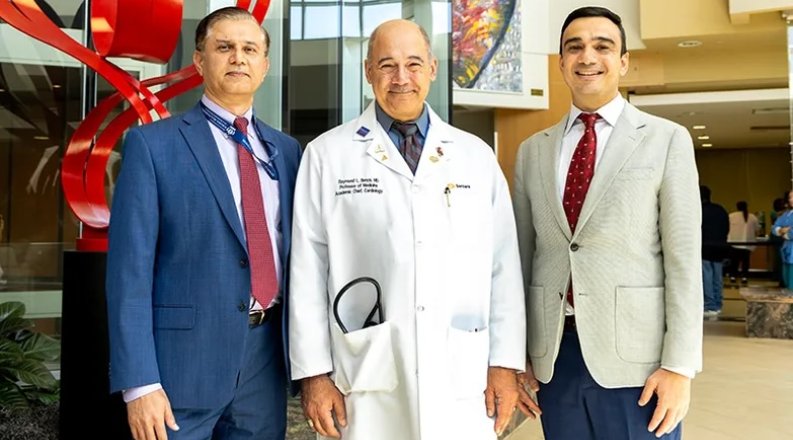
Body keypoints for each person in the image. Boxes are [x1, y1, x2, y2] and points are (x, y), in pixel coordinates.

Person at [288, 19, 532, 440]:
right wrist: (314, 375)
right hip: (366, 373)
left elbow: (503, 267)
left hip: (461, 370)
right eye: (387, 65)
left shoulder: (475, 156)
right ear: (367, 72)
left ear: (433, 69)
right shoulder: (327, 155)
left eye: (414, 64)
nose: (401, 78)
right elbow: (308, 272)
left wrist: (505, 364)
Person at [106, 7, 301, 440]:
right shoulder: (152, 145)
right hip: (178, 371)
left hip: (263, 363)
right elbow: (129, 273)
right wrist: (140, 382)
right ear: (198, 61)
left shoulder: (287, 153)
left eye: (250, 49)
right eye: (224, 47)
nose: (238, 58)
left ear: (265, 66)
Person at [512, 6, 703, 440]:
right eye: (574, 47)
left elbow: (684, 262)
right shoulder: (531, 151)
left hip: (638, 365)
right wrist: (518, 353)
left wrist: (679, 366)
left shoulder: (666, 139)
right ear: (560, 62)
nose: (587, 57)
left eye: (603, 46)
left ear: (623, 61)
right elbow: (523, 260)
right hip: (554, 359)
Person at [700, 186, 729, 318]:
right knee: (717, 276)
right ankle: (718, 303)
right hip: (720, 246)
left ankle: (710, 305)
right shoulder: (720, 209)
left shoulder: (699, 210)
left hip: (705, 246)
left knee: (706, 275)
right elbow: (726, 227)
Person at [727, 201, 759, 284]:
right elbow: (757, 229)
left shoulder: (731, 216)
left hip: (734, 243)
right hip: (747, 243)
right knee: (745, 262)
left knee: (734, 262)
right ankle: (744, 277)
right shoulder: (753, 217)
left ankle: (733, 276)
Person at [772, 190, 793, 287]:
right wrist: (781, 231)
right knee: (787, 283)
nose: (791, 200)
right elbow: (774, 227)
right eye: (790, 197)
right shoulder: (787, 214)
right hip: (787, 253)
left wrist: (784, 233)